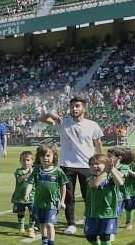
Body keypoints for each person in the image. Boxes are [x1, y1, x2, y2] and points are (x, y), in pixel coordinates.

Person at [39, 97, 103, 234]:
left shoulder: (93, 125)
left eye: (78, 106)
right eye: (72, 106)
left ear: (84, 108)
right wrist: (50, 114)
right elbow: (42, 120)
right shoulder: (63, 122)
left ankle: (90, 220)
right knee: (69, 196)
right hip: (67, 165)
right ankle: (71, 224)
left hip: (87, 165)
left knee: (89, 196)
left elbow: (98, 143)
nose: (74, 109)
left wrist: (101, 161)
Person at [24, 144, 68, 245]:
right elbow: (30, 182)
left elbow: (63, 186)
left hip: (52, 203)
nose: (45, 158)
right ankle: (44, 243)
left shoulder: (58, 171)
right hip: (38, 202)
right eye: (42, 156)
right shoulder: (37, 170)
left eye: (48, 155)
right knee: (42, 224)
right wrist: (27, 193)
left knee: (49, 224)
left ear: (54, 156)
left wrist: (62, 201)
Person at [84, 153, 125, 245]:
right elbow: (95, 184)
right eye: (92, 165)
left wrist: (111, 170)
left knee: (105, 236)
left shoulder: (111, 176)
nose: (94, 166)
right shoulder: (90, 177)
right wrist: (104, 171)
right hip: (92, 213)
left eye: (97, 164)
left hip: (109, 213)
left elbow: (121, 183)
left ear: (106, 164)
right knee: (90, 236)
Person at [11, 150, 36, 237]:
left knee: (33, 212)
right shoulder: (19, 171)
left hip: (32, 196)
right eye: (23, 160)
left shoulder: (36, 171)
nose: (26, 162)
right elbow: (19, 179)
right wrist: (29, 174)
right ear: (20, 161)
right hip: (20, 197)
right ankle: (21, 228)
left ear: (32, 161)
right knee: (21, 212)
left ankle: (30, 228)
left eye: (28, 160)